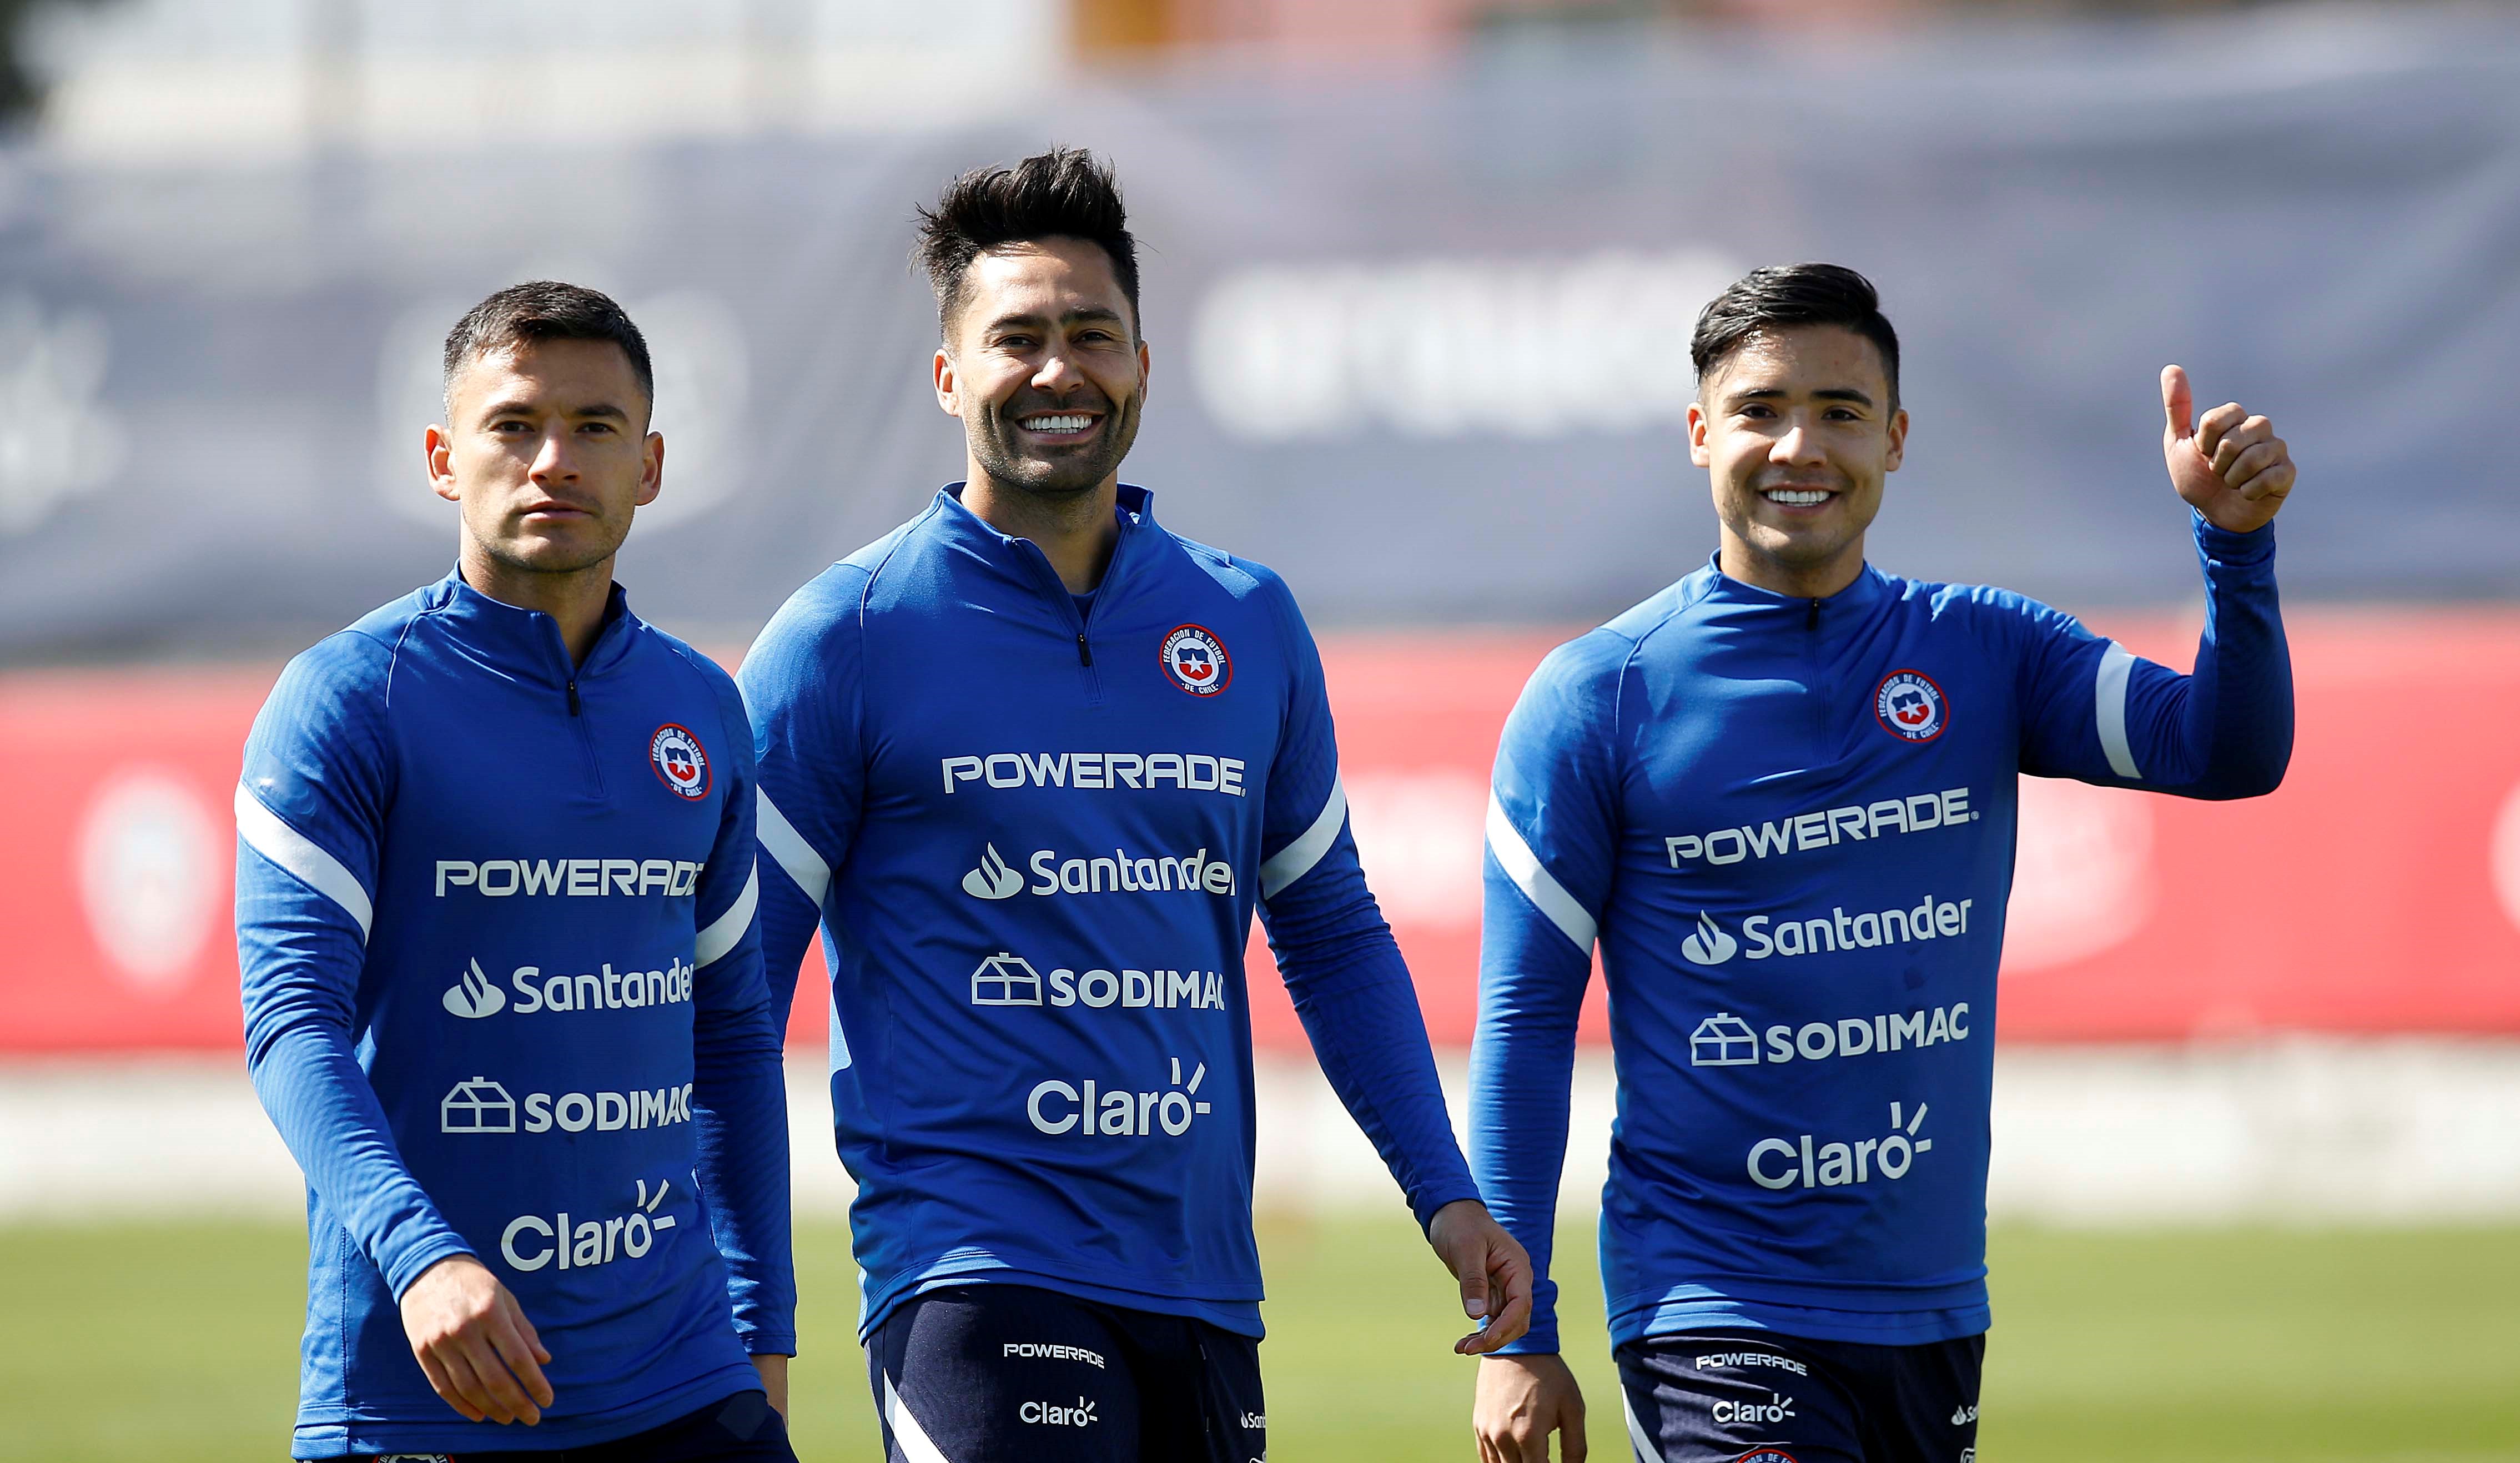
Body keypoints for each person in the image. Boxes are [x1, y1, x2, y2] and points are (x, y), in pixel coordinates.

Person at [740, 147, 1533, 1462]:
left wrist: (1445, 1197)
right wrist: (747, 1313)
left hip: (1202, 1286)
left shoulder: (1245, 620)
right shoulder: (846, 637)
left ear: (1144, 367)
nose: (1059, 371)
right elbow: (734, 999)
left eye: (1092, 335)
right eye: (1016, 339)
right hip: (971, 1271)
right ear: (947, 376)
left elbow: (1329, 933)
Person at [1468, 264, 2296, 1463]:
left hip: (1929, 1315)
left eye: (1839, 412)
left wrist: (2235, 550)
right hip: (1710, 1309)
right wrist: (1516, 1333)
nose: (1797, 444)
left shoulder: (1987, 651)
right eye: (1758, 410)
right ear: (1699, 434)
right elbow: (1523, 1022)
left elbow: (2225, 751)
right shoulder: (1597, 696)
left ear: (1894, 440)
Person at [234, 281, 797, 1461]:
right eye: (513, 425)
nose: (553, 460)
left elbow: (733, 1042)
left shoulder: (699, 706)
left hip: (686, 1383)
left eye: (594, 428)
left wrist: (762, 1338)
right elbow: (291, 1024)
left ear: (648, 466)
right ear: (444, 458)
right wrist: (422, 1253)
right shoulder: (346, 700)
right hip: (424, 1391)